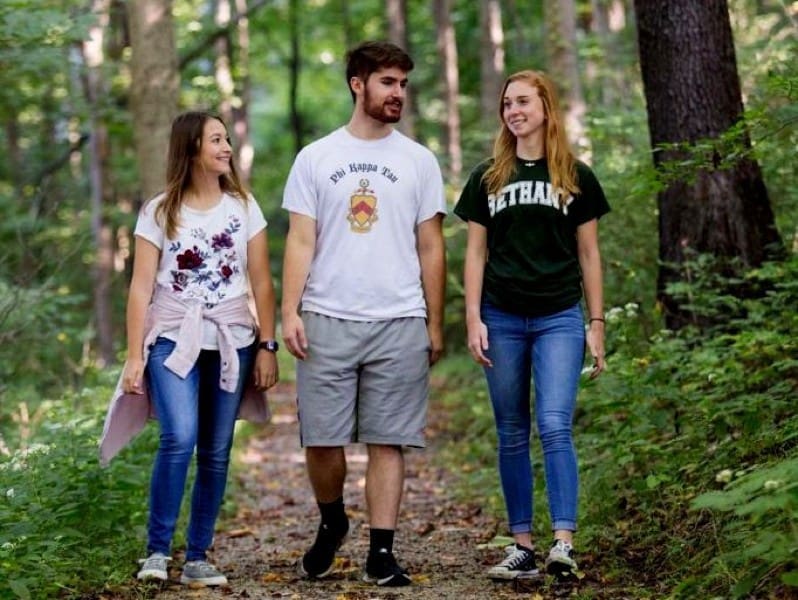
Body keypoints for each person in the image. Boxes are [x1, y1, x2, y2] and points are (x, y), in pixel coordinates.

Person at [280, 41, 446, 587]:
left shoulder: (419, 160)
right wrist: (290, 310)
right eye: (388, 82)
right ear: (359, 83)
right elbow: (300, 241)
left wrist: (434, 321)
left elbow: (431, 247)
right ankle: (332, 521)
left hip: (400, 318)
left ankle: (381, 551)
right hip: (327, 315)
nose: (398, 92)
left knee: (388, 438)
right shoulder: (316, 157)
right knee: (322, 439)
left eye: (403, 84)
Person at [454, 70, 609, 582]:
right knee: (512, 431)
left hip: (559, 316)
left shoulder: (576, 176)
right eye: (506, 104)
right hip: (500, 315)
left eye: (523, 101)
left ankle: (563, 541)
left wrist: (596, 321)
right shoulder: (487, 177)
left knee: (554, 423)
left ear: (546, 106)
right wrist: (473, 316)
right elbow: (475, 253)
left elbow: (589, 254)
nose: (513, 110)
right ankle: (521, 545)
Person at [121, 110, 279, 586]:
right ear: (191, 149)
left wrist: (268, 344)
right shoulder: (159, 211)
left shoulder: (243, 207)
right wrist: (133, 355)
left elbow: (261, 281)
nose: (227, 147)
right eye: (216, 140)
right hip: (172, 337)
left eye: (227, 139)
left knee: (216, 449)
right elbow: (139, 286)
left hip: (232, 336)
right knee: (179, 437)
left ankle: (197, 556)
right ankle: (156, 551)